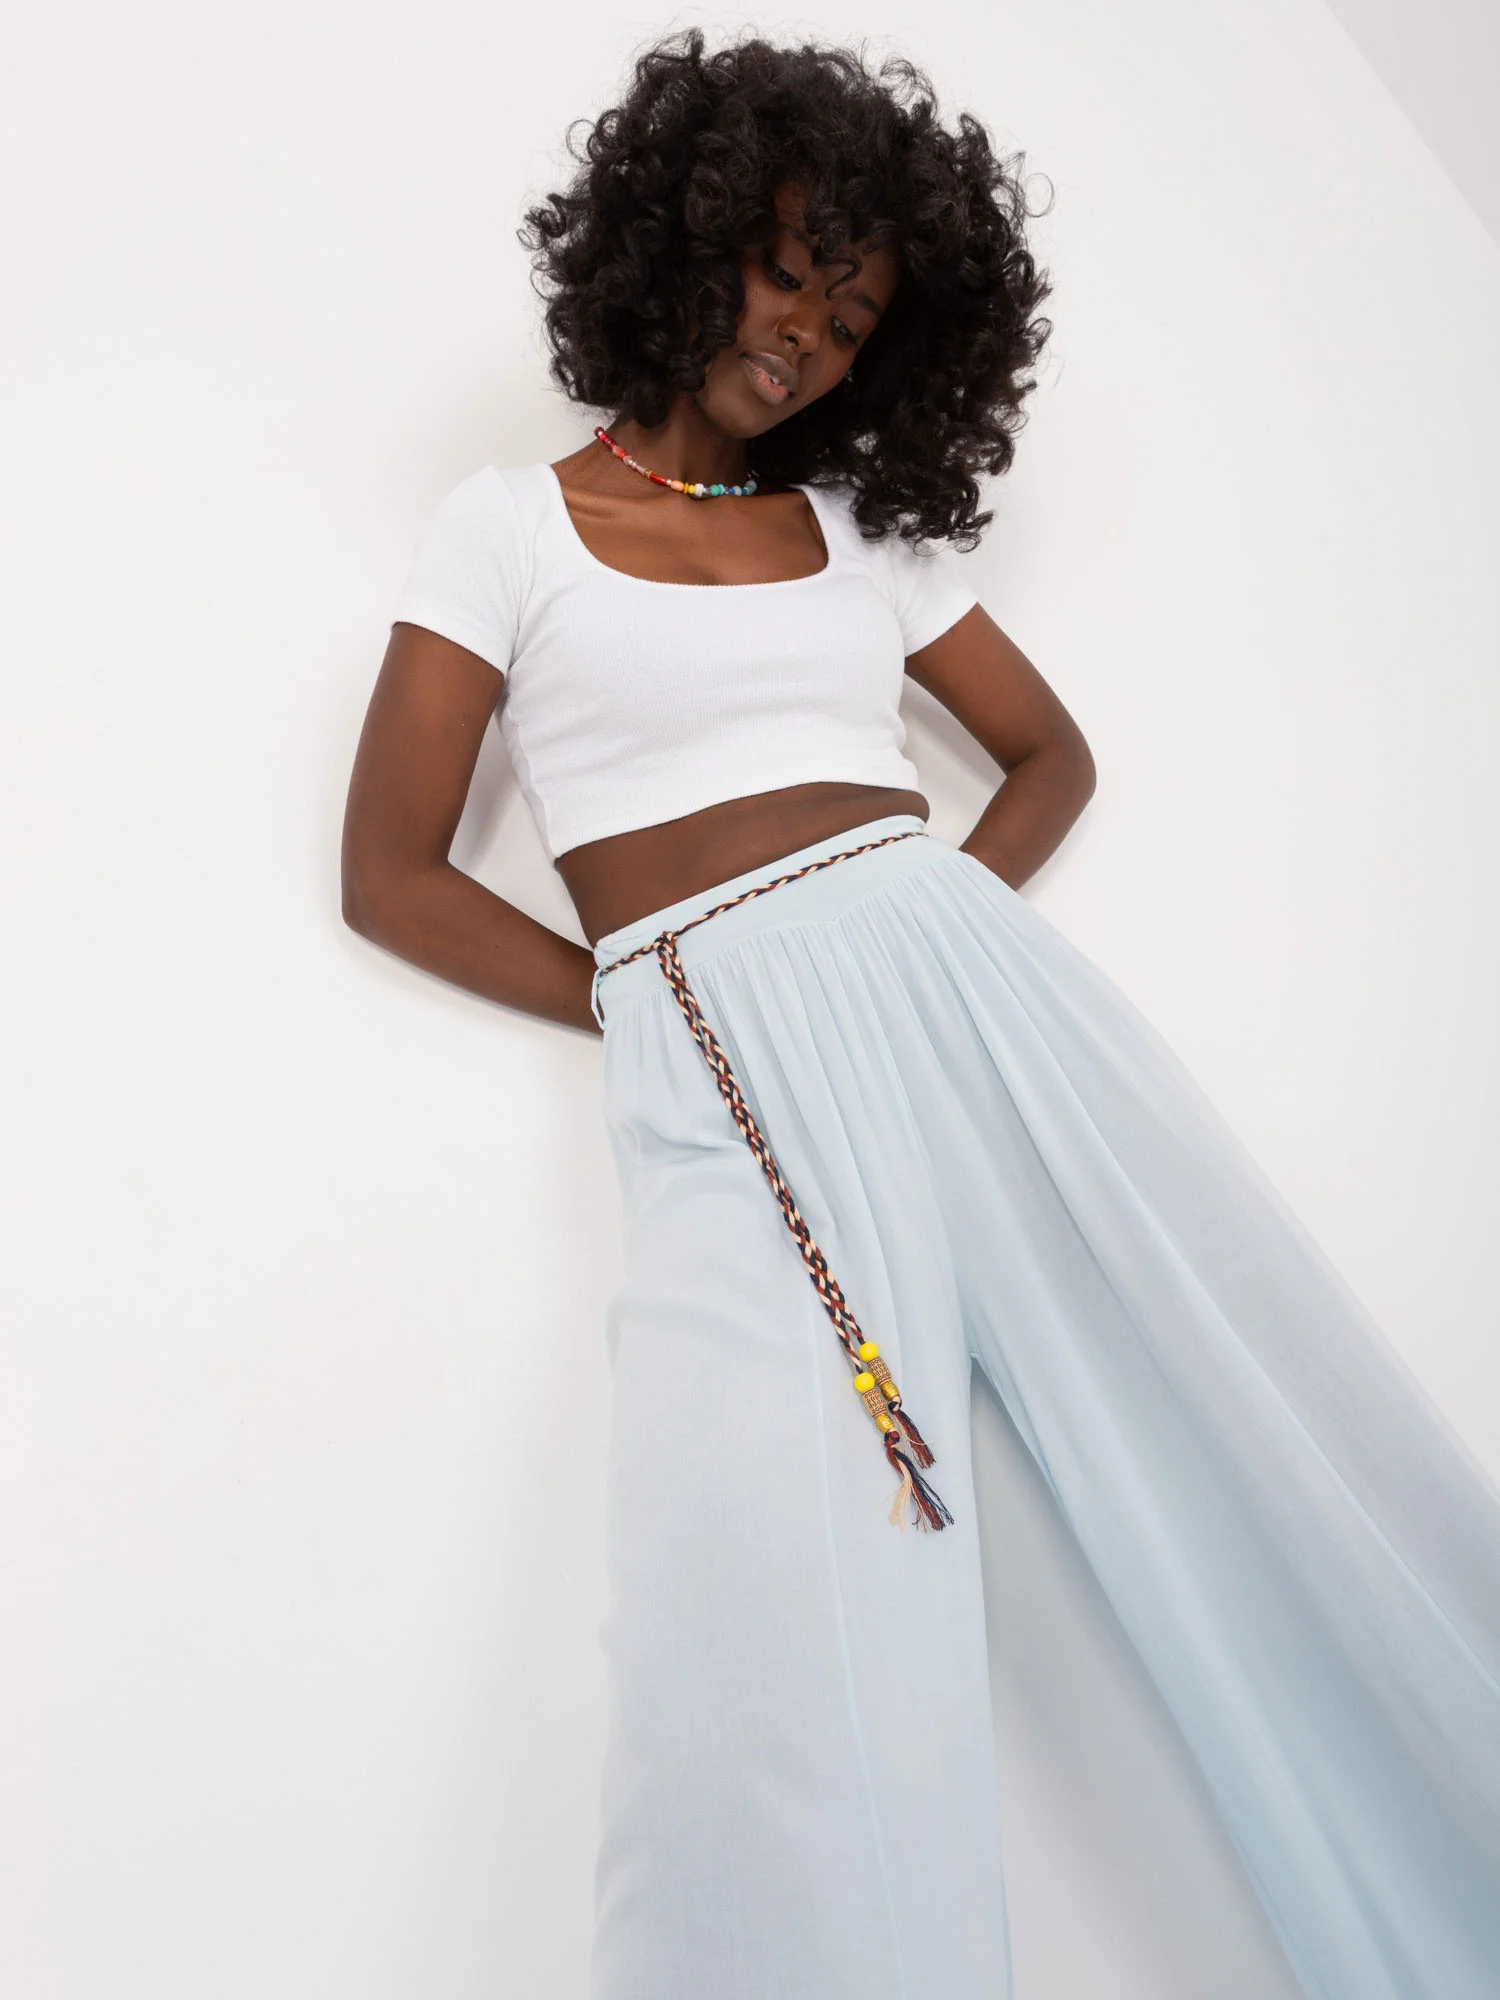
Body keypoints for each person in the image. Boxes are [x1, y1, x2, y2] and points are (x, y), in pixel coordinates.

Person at [340, 29, 1500, 2000]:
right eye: (789, 270)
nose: (809, 332)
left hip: (988, 1020)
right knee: (768, 1599)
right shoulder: (505, 527)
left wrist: (930, 935)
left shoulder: (862, 538)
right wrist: (645, 997)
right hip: (721, 1061)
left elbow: (1050, 755)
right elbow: (391, 868)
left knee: (1246, 1430)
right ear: (688, 239)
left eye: (855, 315)